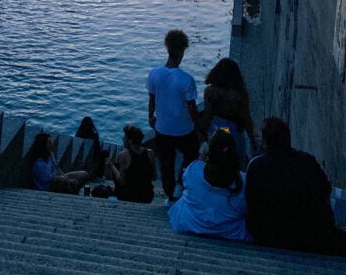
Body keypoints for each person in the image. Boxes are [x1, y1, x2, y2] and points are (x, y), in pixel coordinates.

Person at [245, 117, 340, 254]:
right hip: (308, 237)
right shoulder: (308, 162)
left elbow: (251, 202)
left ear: (266, 142)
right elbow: (325, 190)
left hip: (270, 237)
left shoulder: (256, 166)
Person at [147, 29, 200, 205]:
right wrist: (200, 127)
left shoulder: (154, 74)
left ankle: (170, 196)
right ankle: (181, 184)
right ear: (182, 50)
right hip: (185, 130)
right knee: (191, 156)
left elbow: (152, 100)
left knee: (165, 164)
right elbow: (192, 109)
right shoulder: (187, 80)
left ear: (167, 47)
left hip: (162, 129)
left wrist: (151, 117)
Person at [168, 129, 250, 241]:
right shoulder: (243, 180)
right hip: (230, 232)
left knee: (185, 196)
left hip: (192, 224)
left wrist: (202, 157)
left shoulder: (194, 169)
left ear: (209, 150)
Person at [200, 57, 257, 169]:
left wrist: (202, 135)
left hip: (215, 130)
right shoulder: (240, 93)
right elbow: (246, 117)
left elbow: (207, 116)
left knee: (214, 158)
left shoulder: (210, 91)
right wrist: (252, 139)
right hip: (234, 132)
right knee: (237, 160)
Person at [105, 124, 156, 204]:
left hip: (128, 196)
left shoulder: (124, 155)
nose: (122, 139)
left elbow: (121, 181)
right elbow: (153, 176)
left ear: (130, 141)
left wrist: (111, 166)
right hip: (147, 196)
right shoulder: (150, 153)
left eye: (125, 137)